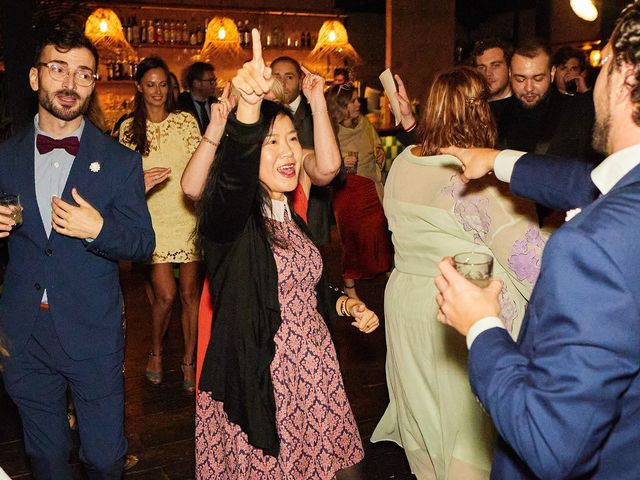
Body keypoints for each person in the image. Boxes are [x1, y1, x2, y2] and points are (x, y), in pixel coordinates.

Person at [435, 3, 640, 478]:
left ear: (626, 74)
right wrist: (498, 158)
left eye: (604, 62)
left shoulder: (591, 248)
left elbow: (552, 444)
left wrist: (482, 326)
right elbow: (589, 182)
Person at [194, 29, 379, 479]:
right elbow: (232, 180)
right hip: (261, 377)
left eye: (291, 140)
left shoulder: (290, 218)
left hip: (314, 369)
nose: (287, 153)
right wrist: (249, 108)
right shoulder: (231, 221)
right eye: (270, 142)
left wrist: (343, 302)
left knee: (345, 468)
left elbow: (307, 288)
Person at [371, 66, 544, 480]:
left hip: (407, 308)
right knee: (467, 440)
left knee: (429, 430)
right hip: (456, 317)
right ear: (481, 113)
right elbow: (531, 266)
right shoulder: (474, 181)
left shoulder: (403, 164)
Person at [0, 26, 154, 478]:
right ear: (34, 78)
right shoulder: (4, 157)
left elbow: (143, 244)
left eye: (84, 74)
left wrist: (100, 229)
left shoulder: (119, 161)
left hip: (92, 331)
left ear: (93, 85)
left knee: (105, 458)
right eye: (58, 69)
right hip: (23, 334)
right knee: (46, 459)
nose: (69, 84)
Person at [119, 56, 201, 393]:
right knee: (165, 295)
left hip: (187, 215)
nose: (157, 91)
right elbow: (118, 181)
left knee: (189, 295)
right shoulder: (127, 128)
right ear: (139, 86)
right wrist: (138, 179)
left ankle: (189, 360)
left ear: (171, 87)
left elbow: (202, 164)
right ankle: (155, 350)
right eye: (150, 85)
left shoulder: (185, 123)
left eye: (163, 84)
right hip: (150, 221)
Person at [326, 82, 392, 299]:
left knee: (377, 233)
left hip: (370, 186)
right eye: (353, 101)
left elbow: (376, 145)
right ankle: (349, 282)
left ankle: (383, 271)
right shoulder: (330, 131)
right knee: (351, 237)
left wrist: (380, 153)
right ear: (340, 106)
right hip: (347, 190)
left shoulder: (363, 123)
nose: (358, 104)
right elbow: (323, 162)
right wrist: (339, 163)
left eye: (357, 99)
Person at [271, 55, 334, 246]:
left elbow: (332, 168)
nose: (282, 82)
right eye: (276, 76)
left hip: (311, 202)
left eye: (289, 77)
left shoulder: (316, 113)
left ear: (299, 81)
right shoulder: (262, 116)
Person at [178, 61, 217, 134]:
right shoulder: (181, 105)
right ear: (196, 83)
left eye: (214, 80)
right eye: (211, 81)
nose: (215, 84)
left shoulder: (215, 103)